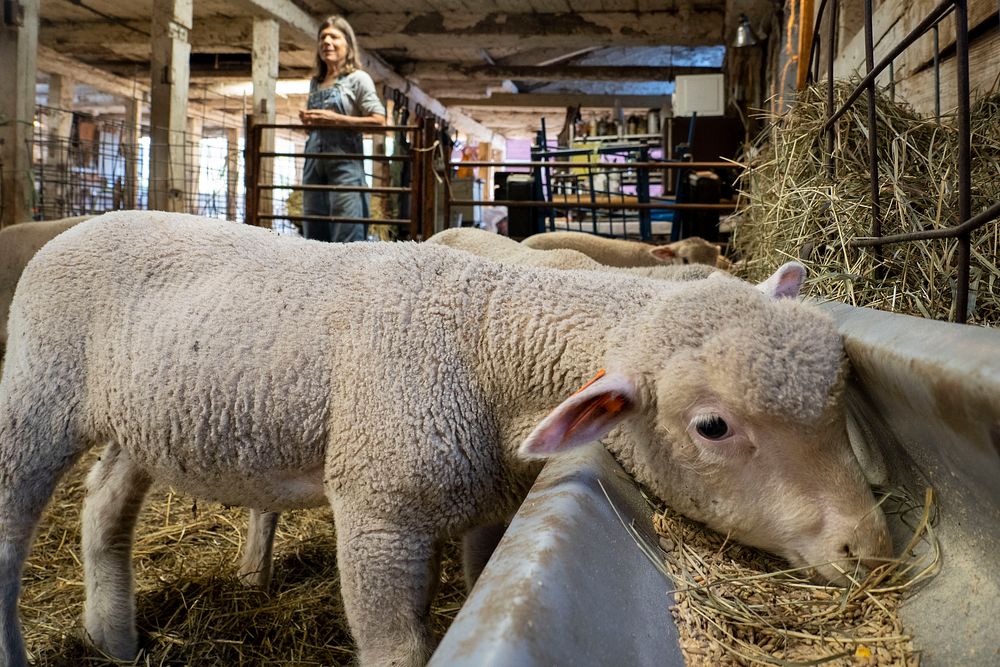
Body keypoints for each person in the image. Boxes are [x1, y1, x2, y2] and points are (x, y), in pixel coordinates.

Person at [298, 15, 386, 242]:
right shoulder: (315, 82)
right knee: (313, 235)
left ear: (348, 44)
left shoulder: (358, 79)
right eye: (322, 37)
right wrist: (310, 122)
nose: (327, 41)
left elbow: (380, 121)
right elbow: (318, 127)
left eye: (334, 37)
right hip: (313, 166)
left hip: (345, 166)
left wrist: (336, 120)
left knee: (347, 234)